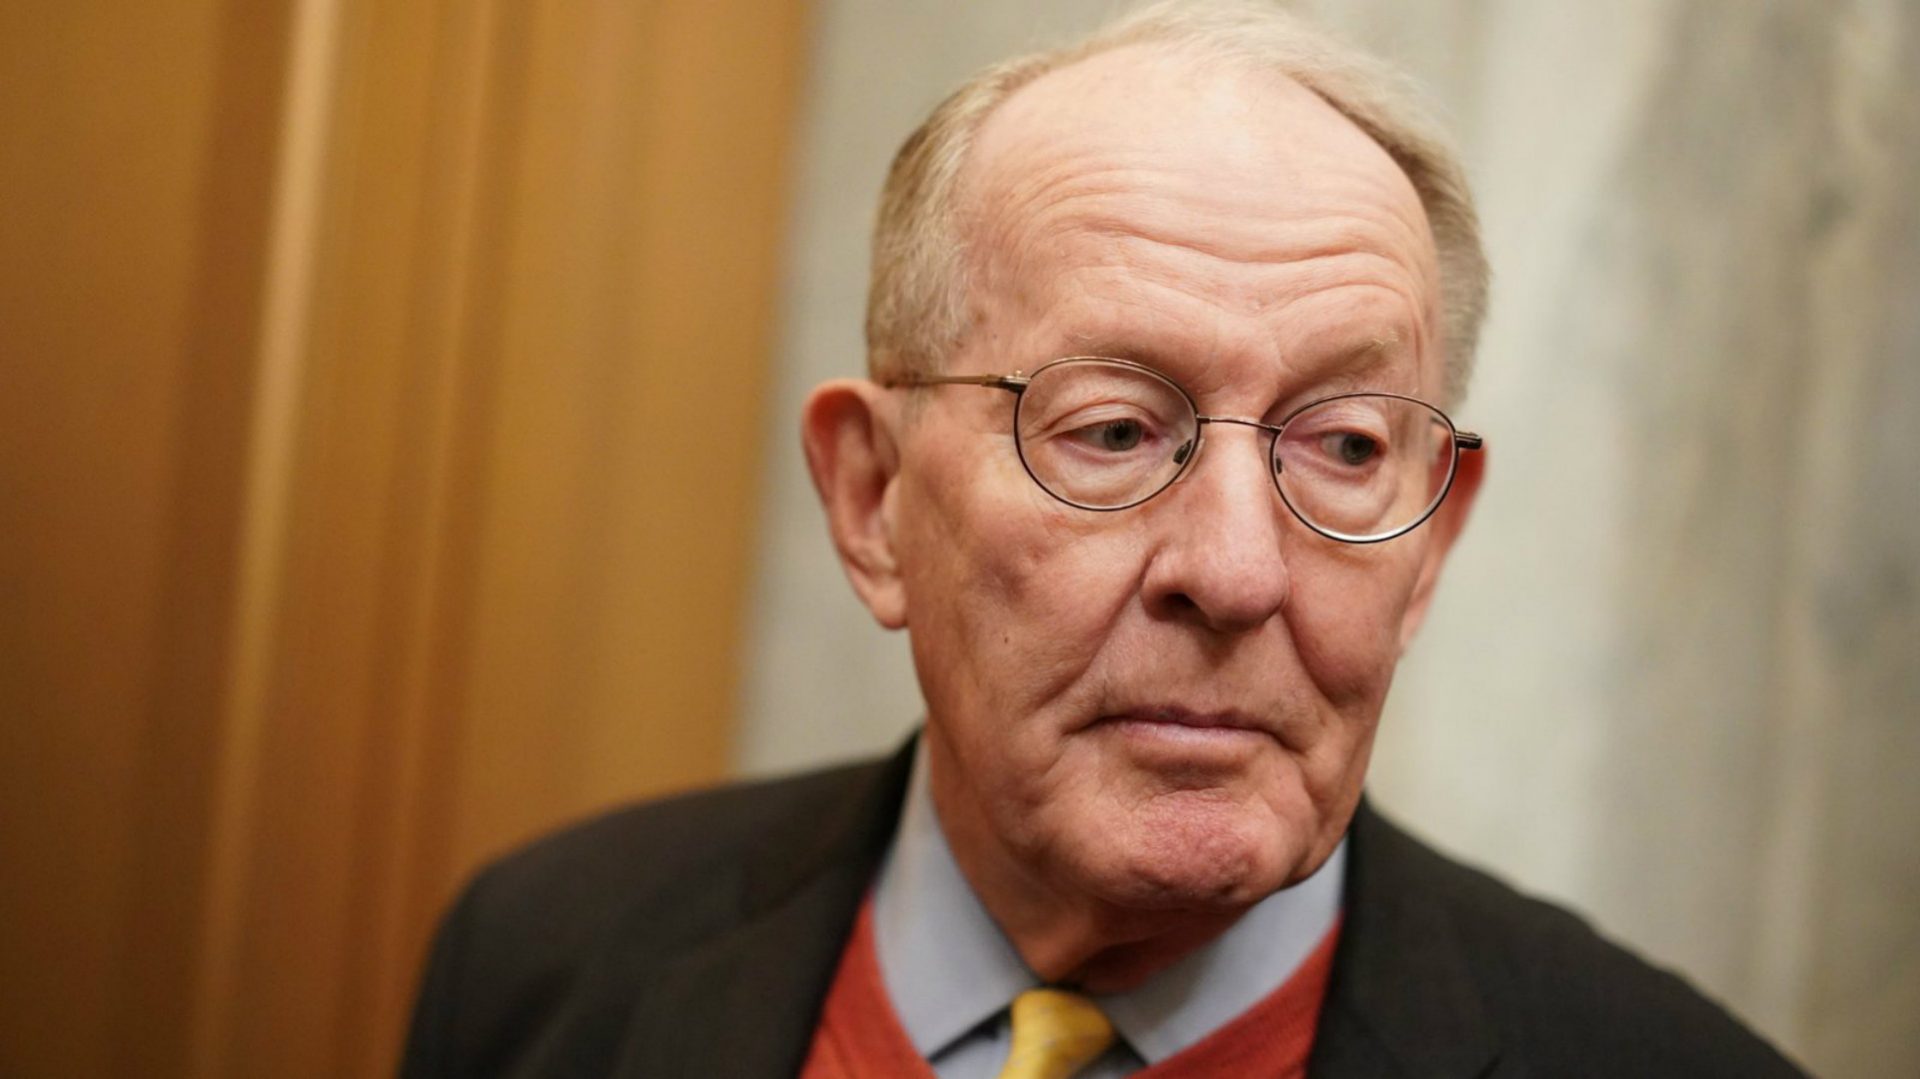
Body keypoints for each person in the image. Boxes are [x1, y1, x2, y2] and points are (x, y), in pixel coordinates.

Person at [403, 3, 1803, 1075]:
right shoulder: (544, 961)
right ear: (873, 497)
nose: (1240, 572)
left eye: (1347, 446)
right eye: (1117, 433)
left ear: (1428, 547)